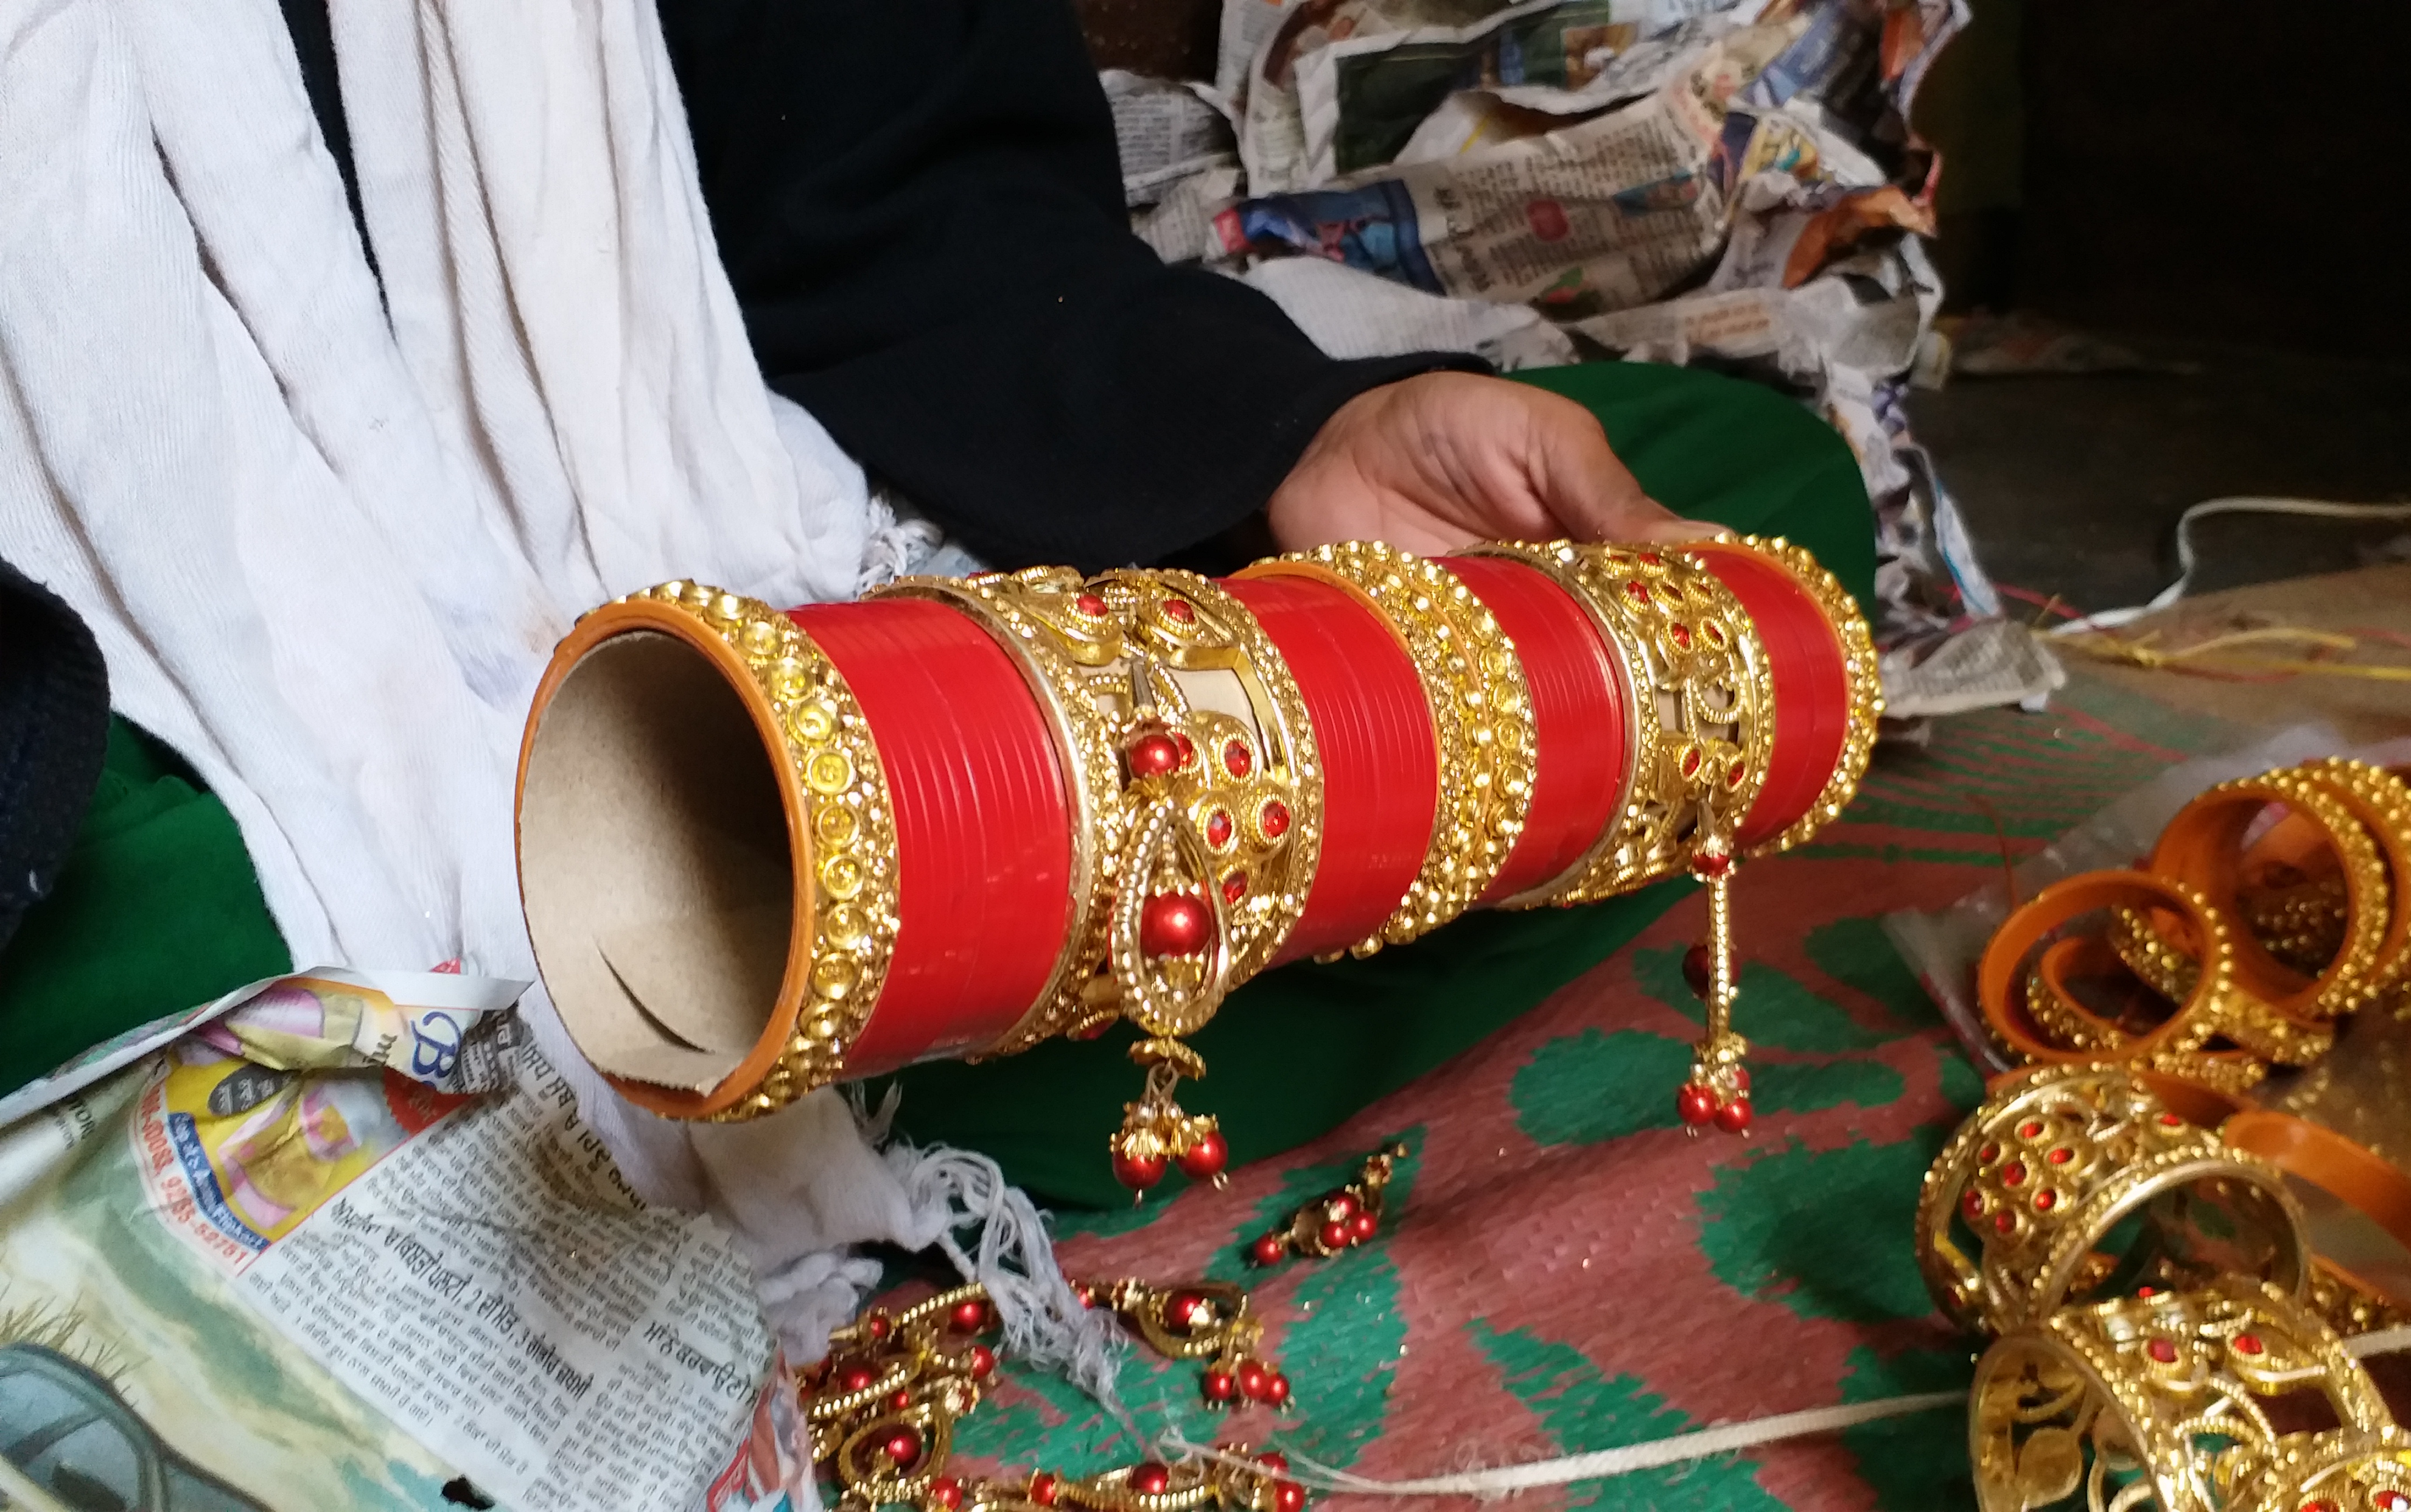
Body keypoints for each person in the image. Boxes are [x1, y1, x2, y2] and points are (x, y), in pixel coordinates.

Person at [0, 0, 1874, 1198]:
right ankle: (823, 1022)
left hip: (692, 484)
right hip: (124, 646)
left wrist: (1287, 434)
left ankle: (756, 992)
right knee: (166, 918)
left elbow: (902, 191)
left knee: (1724, 544)